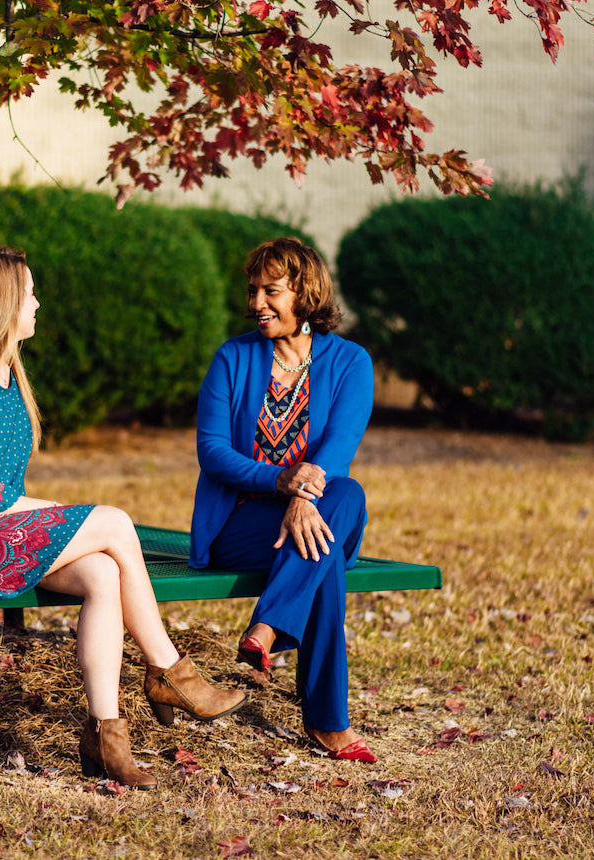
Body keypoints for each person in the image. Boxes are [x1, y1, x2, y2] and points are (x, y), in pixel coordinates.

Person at [0, 246, 246, 789]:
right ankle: (168, 670)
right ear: (2, 303)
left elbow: (2, 496)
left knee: (104, 574)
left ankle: (104, 734)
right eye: (29, 293)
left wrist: (66, 517)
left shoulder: (8, 377)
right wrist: (76, 518)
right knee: (114, 523)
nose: (38, 303)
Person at [190, 237, 378, 763]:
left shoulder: (350, 363)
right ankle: (328, 724)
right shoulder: (233, 358)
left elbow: (338, 450)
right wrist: (281, 483)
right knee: (324, 558)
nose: (256, 303)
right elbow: (213, 453)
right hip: (240, 524)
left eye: (271, 291)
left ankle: (267, 626)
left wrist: (302, 493)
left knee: (346, 493)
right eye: (253, 291)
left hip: (317, 507)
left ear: (305, 293)